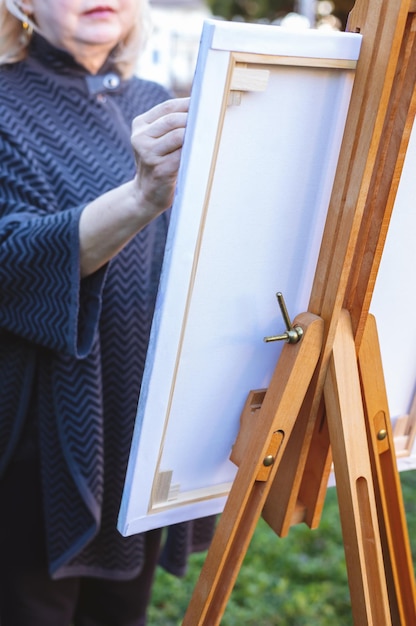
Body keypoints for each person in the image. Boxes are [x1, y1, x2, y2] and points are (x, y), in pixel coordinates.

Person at [0, 1, 215, 624]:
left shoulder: (152, 98)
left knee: (121, 614)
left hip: (135, 428)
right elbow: (11, 257)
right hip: (36, 440)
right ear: (22, 3)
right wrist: (143, 194)